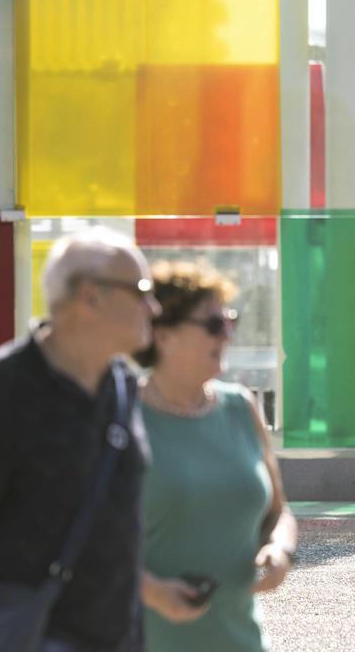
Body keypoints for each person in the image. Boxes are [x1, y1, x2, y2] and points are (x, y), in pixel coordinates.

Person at [0, 228, 160, 651]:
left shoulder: (122, 385)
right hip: (26, 636)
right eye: (142, 290)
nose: (153, 306)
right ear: (91, 297)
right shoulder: (2, 388)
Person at [135, 260, 296, 651]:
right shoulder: (121, 417)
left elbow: (279, 512)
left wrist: (279, 550)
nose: (227, 335)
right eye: (213, 324)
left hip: (242, 642)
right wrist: (153, 591)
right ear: (163, 335)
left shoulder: (240, 408)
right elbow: (83, 542)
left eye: (230, 320)